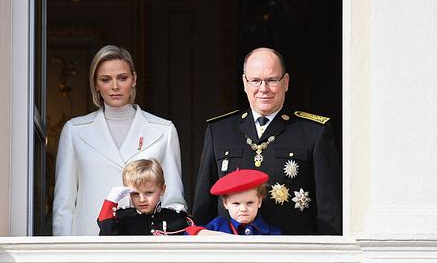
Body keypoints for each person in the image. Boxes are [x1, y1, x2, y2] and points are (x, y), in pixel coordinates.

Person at [192, 47, 341, 235]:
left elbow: (329, 210)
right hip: (231, 251)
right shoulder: (219, 131)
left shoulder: (314, 132)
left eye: (271, 80)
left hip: (291, 251)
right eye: (255, 80)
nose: (263, 89)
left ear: (285, 82)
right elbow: (203, 205)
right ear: (244, 83)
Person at [53, 45, 187, 235]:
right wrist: (62, 253)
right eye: (106, 79)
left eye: (122, 78)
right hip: (88, 244)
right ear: (96, 84)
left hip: (146, 246)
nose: (115, 86)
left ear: (134, 79)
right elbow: (64, 204)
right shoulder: (74, 131)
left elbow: (173, 200)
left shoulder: (164, 130)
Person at [97, 159, 192, 235]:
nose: (142, 199)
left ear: (162, 190)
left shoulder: (176, 218)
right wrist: (110, 201)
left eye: (149, 193)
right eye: (135, 194)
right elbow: (106, 237)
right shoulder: (122, 218)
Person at [186, 169, 281, 235]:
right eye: (236, 204)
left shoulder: (272, 233)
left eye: (250, 203)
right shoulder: (218, 226)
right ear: (225, 203)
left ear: (259, 202)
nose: (243, 209)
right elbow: (187, 234)